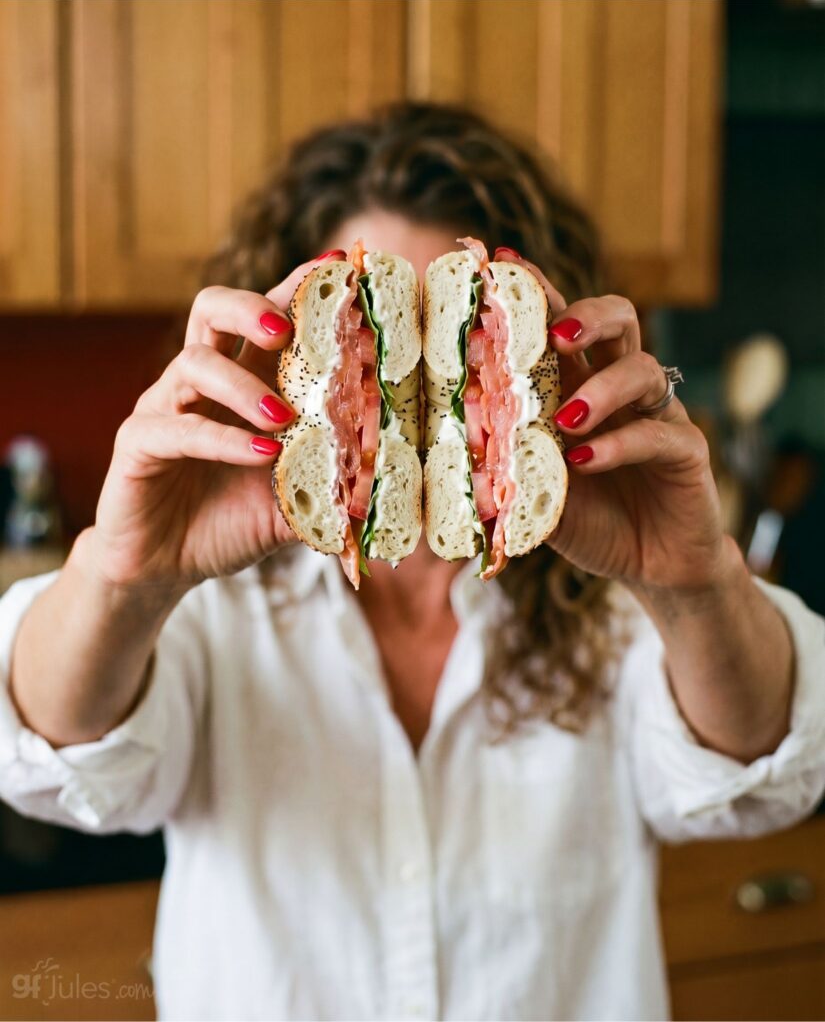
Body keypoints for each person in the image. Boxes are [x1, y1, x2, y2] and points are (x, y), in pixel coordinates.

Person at [1, 102, 824, 1022]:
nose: (428, 407)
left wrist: (693, 584)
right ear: (295, 362)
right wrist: (126, 576)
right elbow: (53, 764)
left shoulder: (612, 596)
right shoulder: (209, 600)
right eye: (391, 349)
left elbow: (761, 777)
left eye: (454, 352)